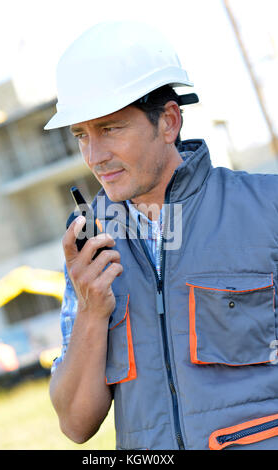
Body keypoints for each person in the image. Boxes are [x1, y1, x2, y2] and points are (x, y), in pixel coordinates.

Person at [45, 20, 278, 450]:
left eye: (111, 129)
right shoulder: (88, 242)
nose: (95, 156)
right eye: (82, 135)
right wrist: (92, 312)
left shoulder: (268, 208)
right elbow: (76, 425)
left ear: (168, 122)